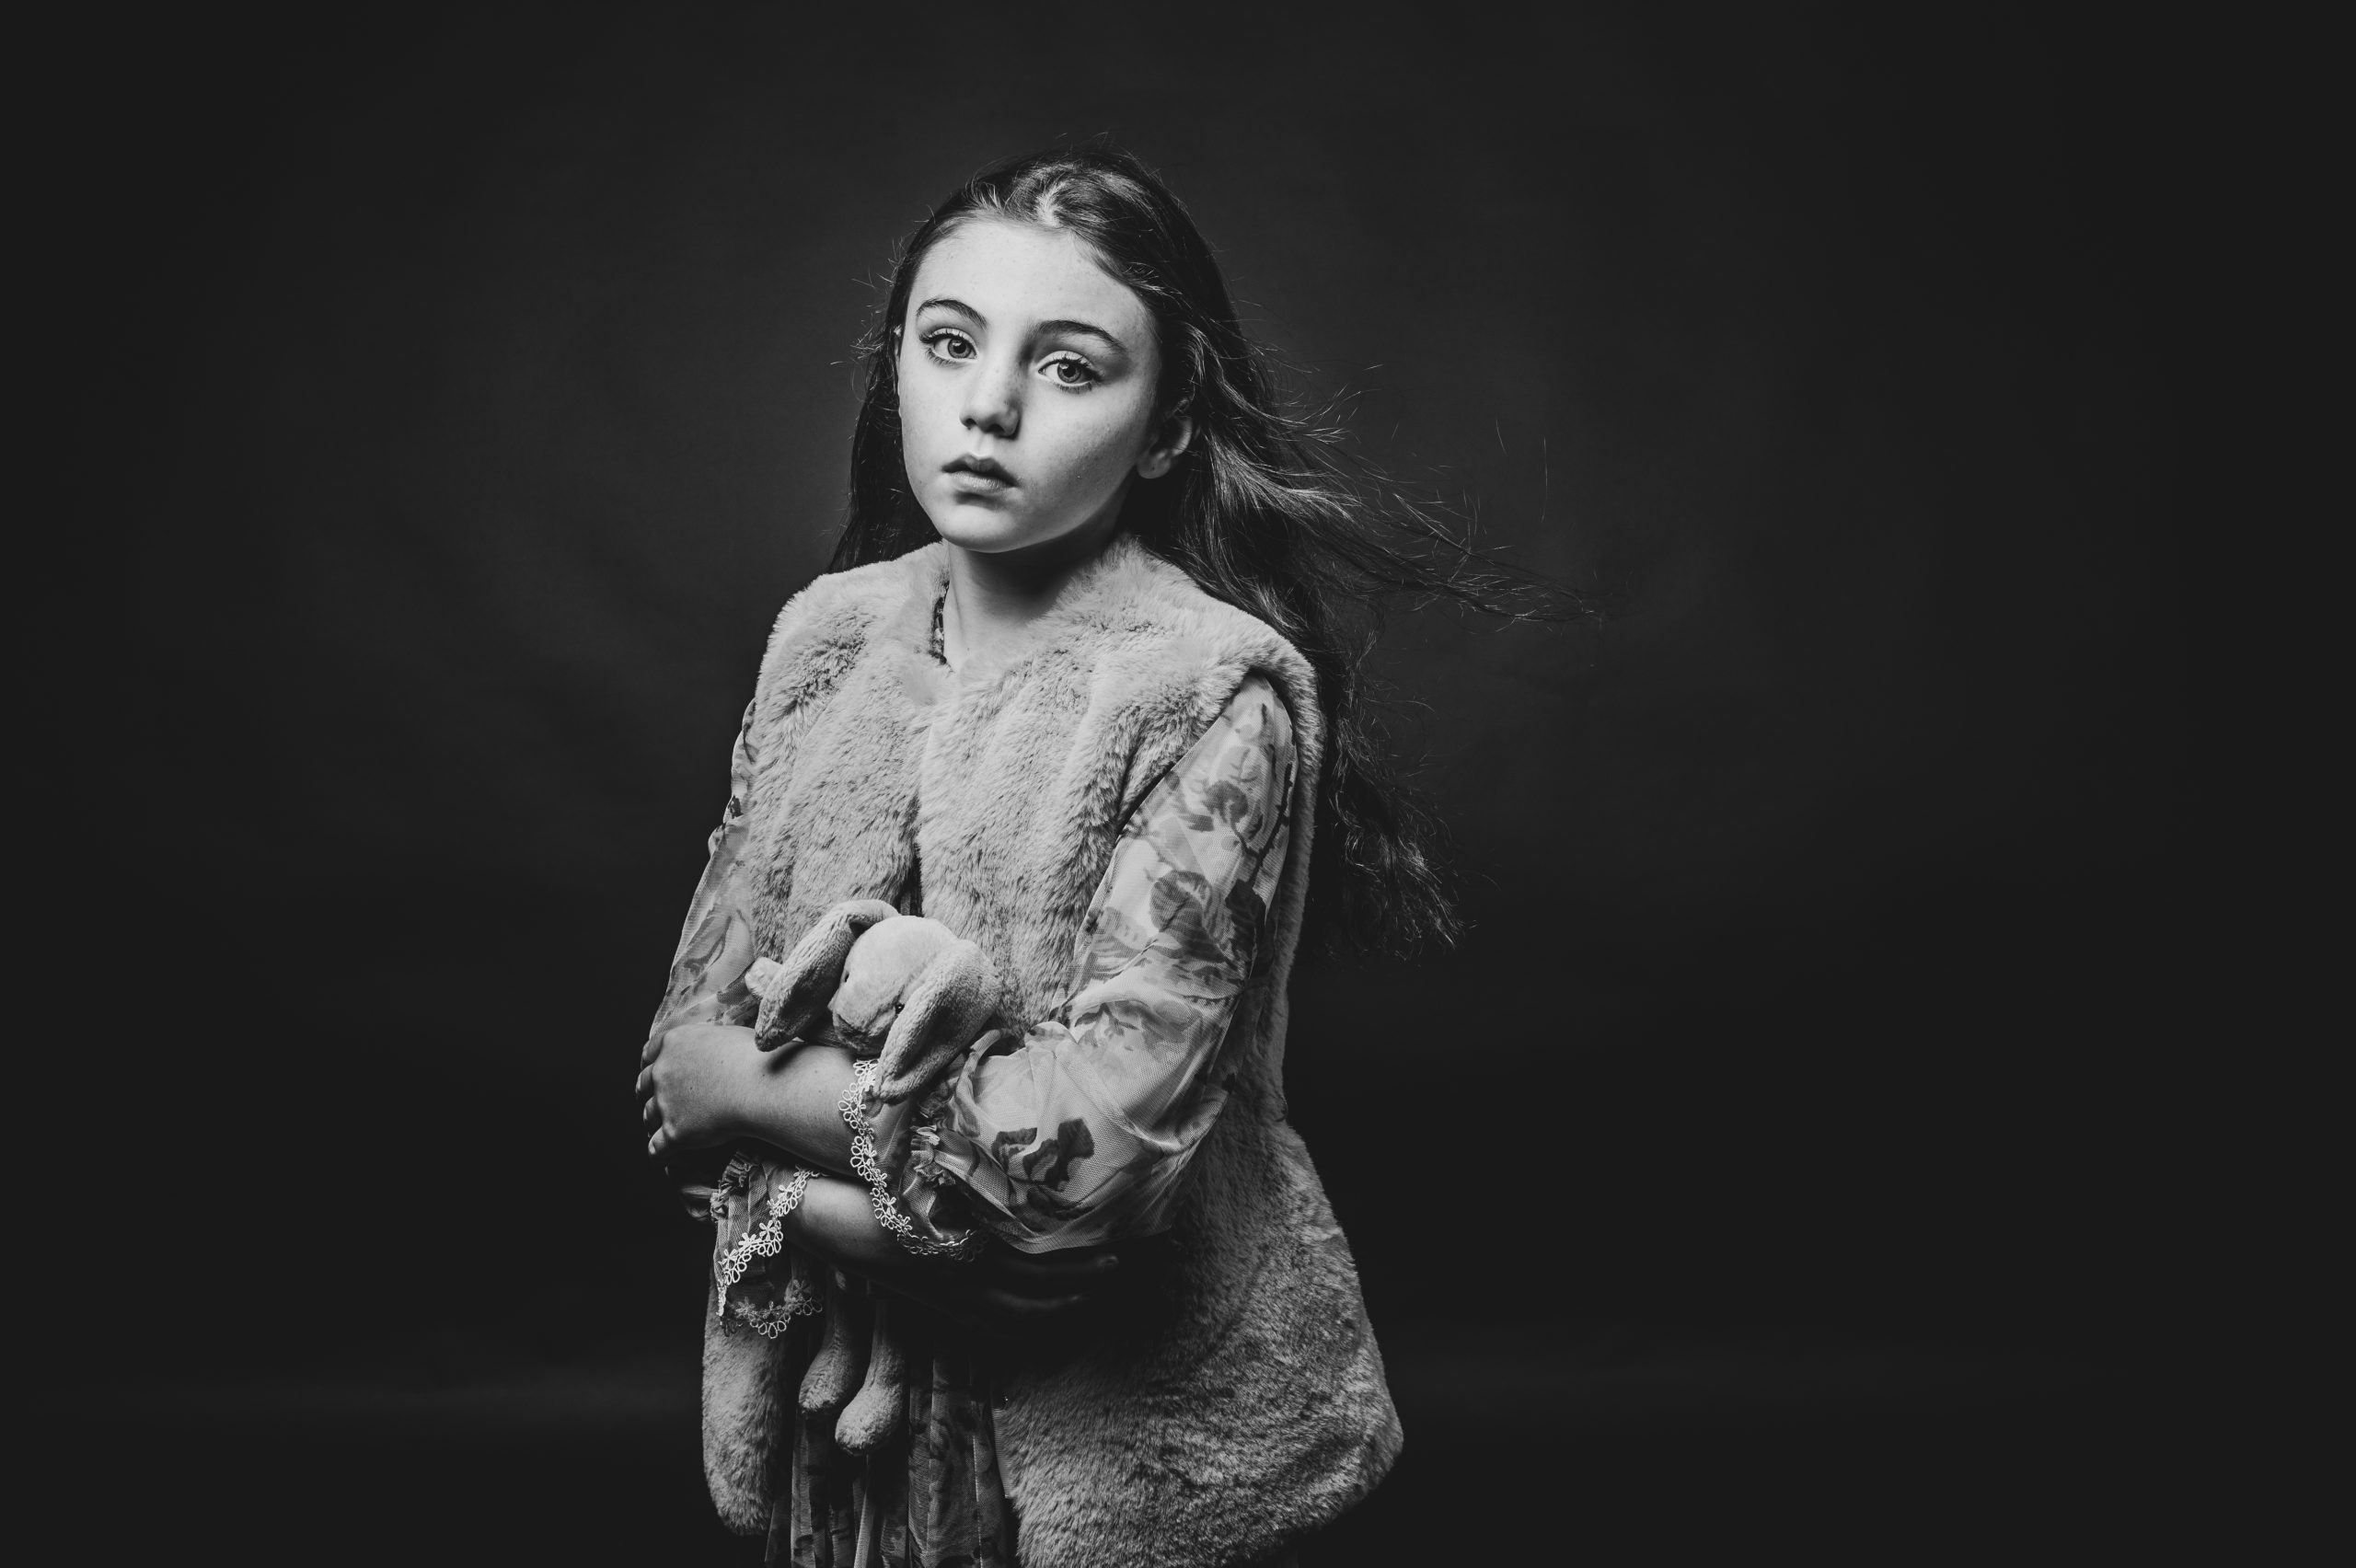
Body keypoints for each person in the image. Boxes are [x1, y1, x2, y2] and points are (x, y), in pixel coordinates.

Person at [637, 145, 1535, 1568]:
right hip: (842, 1452)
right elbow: (675, 1072)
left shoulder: (1208, 697)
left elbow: (1070, 1191)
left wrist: (771, 1138)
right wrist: (867, 1185)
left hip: (1120, 1455)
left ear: (1167, 428)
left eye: (1067, 367)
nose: (988, 404)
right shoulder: (827, 642)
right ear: (896, 369)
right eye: (949, 344)